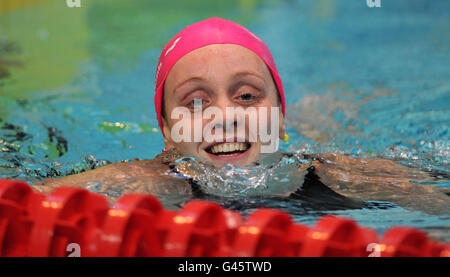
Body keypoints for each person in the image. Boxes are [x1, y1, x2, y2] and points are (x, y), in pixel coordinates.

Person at [33, 18, 449, 214]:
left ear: (281, 118)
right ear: (166, 129)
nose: (226, 115)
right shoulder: (140, 183)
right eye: (195, 102)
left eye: (247, 96)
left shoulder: (340, 176)